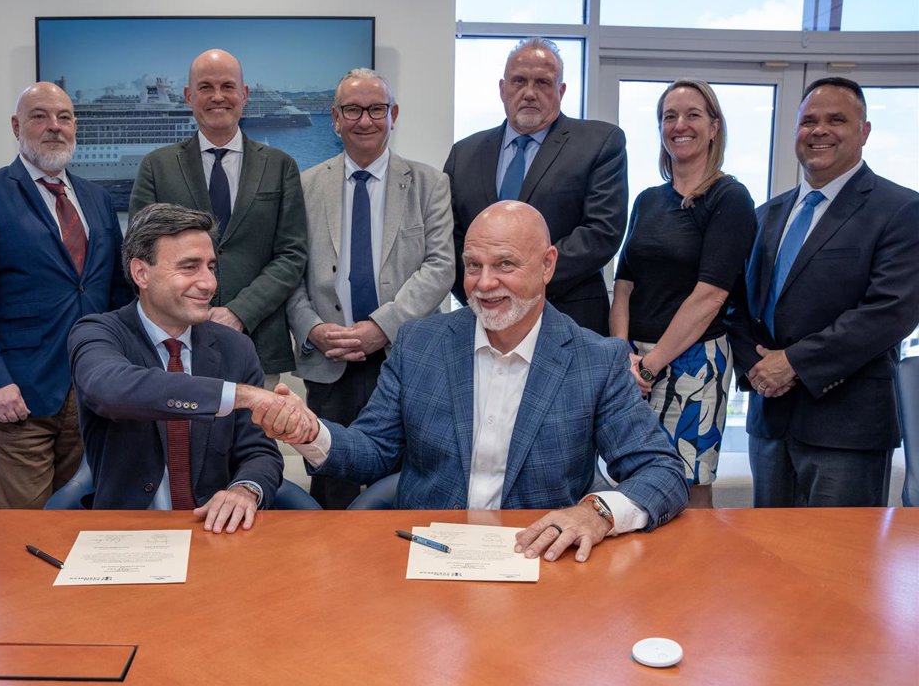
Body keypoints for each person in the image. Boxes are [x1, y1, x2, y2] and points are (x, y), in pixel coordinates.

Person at [259, 201, 687, 562]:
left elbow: (662, 471)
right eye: (472, 266)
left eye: (505, 264)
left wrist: (597, 512)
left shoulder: (595, 360)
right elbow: (372, 450)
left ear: (547, 265)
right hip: (429, 563)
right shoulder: (419, 344)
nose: (484, 284)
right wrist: (310, 432)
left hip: (540, 565)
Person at [727, 77, 919, 508]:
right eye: (808, 121)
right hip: (770, 420)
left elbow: (890, 312)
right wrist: (756, 368)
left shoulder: (901, 210)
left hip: (846, 428)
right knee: (767, 547)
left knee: (838, 552)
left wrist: (793, 363)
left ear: (864, 131)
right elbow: (737, 305)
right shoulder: (765, 214)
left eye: (836, 120)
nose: (819, 130)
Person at [0, 82, 134, 510]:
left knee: (84, 518)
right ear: (17, 126)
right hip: (19, 393)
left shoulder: (97, 199)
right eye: (40, 116)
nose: (54, 126)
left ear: (75, 127)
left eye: (64, 117)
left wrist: (122, 368)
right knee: (22, 525)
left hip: (91, 393)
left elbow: (115, 293)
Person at [69, 203, 306, 533]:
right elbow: (110, 389)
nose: (208, 283)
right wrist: (242, 396)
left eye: (210, 267)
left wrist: (245, 491)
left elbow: (259, 452)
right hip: (127, 535)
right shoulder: (98, 333)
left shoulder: (236, 348)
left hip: (215, 532)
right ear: (141, 273)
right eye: (189, 267)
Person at [287, 68, 454, 508]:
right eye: (353, 110)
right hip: (330, 360)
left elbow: (441, 267)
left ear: (393, 115)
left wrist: (382, 327)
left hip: (405, 354)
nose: (365, 120)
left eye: (376, 109)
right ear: (335, 119)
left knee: (405, 483)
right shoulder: (305, 186)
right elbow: (290, 272)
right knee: (330, 480)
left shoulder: (429, 184)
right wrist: (311, 329)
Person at [610, 80, 756, 508]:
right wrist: (622, 355)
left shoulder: (730, 198)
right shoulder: (647, 200)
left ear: (714, 127)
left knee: (688, 489)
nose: (679, 125)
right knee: (634, 483)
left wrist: (650, 366)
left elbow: (710, 296)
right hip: (633, 364)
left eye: (693, 115)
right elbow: (623, 286)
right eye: (669, 117)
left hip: (694, 365)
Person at [128, 48, 307, 387]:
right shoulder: (157, 166)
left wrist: (240, 311)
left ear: (244, 94)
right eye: (206, 87)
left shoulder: (280, 166)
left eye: (227, 86)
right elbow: (140, 254)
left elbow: (292, 254)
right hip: (175, 343)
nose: (218, 97)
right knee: (178, 423)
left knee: (255, 424)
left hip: (258, 340)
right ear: (188, 96)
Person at [443, 38, 627, 336]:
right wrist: (486, 293)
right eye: (519, 81)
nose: (529, 93)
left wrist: (522, 283)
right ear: (503, 89)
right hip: (483, 320)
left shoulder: (599, 143)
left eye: (542, 82)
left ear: (560, 91)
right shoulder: (464, 154)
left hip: (569, 320)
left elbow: (601, 232)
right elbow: (450, 240)